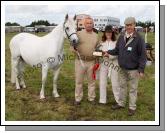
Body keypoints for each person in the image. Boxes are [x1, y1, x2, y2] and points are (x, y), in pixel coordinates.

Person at [103, 17, 147, 116]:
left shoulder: (139, 38)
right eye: (127, 25)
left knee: (132, 89)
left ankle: (132, 107)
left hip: (134, 70)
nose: (128, 27)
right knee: (122, 87)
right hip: (122, 68)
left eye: (130, 25)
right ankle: (121, 103)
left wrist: (141, 69)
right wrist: (107, 53)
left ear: (134, 25)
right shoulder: (122, 36)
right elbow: (116, 50)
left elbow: (143, 55)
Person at [71, 17, 99, 105]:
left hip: (92, 61)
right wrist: (73, 49)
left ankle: (91, 98)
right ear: (84, 24)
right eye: (87, 23)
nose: (89, 25)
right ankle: (78, 98)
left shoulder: (96, 35)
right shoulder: (78, 34)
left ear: (93, 24)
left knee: (91, 82)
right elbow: (72, 45)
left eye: (91, 23)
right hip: (80, 61)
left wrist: (97, 61)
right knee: (79, 81)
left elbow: (98, 48)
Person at [98, 25, 120, 105]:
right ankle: (102, 100)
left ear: (112, 33)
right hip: (104, 63)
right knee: (102, 82)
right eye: (107, 32)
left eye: (110, 32)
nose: (108, 33)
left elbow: (118, 53)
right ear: (104, 33)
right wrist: (100, 54)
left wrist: (109, 55)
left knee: (115, 83)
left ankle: (118, 100)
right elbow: (97, 52)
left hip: (114, 64)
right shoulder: (101, 42)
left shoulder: (116, 42)